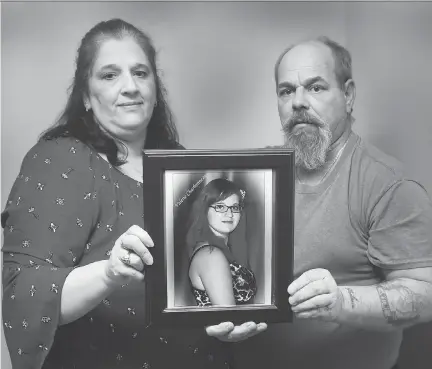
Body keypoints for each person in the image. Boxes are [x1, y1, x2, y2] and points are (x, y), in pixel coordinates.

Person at [1, 19, 266, 369]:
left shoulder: (183, 166)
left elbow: (193, 280)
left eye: (141, 73)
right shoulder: (58, 159)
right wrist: (108, 273)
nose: (130, 86)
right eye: (110, 75)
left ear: (156, 91)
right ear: (85, 94)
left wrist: (224, 317)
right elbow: (25, 294)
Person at [234, 36, 432, 369]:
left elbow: (426, 295)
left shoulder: (389, 184)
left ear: (349, 95)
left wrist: (340, 301)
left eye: (315, 88)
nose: (298, 102)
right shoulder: (254, 175)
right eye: (286, 91)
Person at [186, 178, 257, 306]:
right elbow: (229, 319)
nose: (229, 214)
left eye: (234, 207)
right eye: (220, 206)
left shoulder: (222, 248)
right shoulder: (211, 255)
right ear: (205, 210)